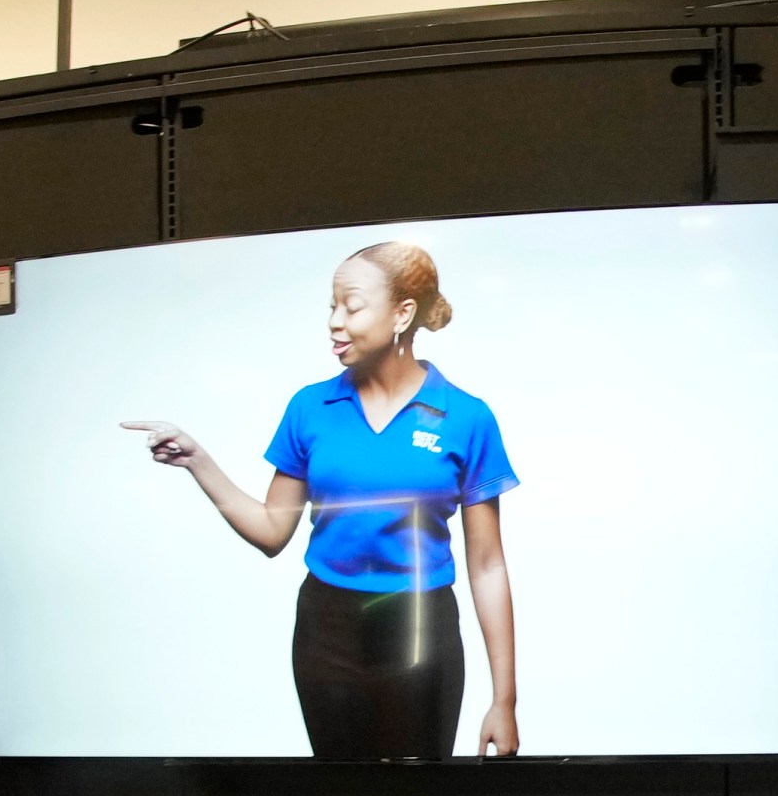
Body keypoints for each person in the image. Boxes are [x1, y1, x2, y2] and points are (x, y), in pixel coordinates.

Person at [127, 241, 521, 759]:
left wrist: (505, 701)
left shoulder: (467, 417)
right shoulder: (310, 407)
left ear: (403, 313)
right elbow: (272, 531)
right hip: (326, 631)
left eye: (352, 306)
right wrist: (197, 458)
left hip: (421, 632)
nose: (335, 321)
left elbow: (488, 565)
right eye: (331, 305)